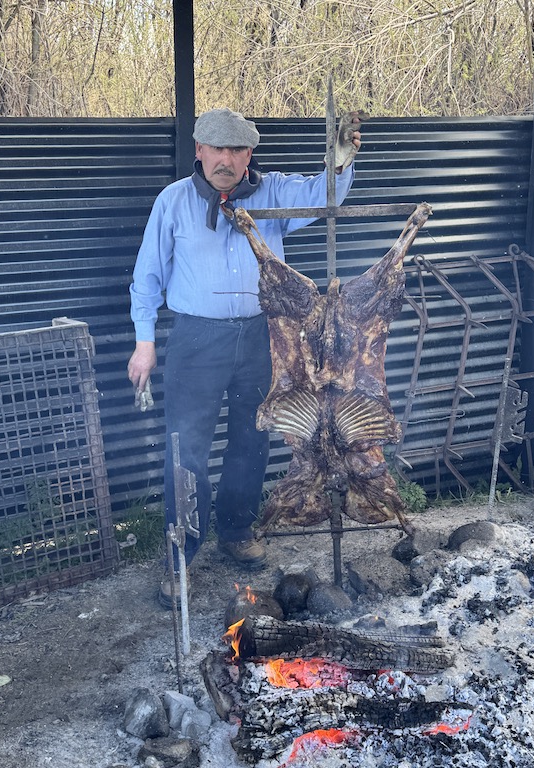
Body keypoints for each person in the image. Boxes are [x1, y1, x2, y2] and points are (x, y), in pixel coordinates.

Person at [127, 107, 362, 608]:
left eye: (236, 151)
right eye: (217, 149)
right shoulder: (173, 202)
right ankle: (180, 555)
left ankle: (236, 530)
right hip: (196, 340)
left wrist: (338, 165)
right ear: (199, 151)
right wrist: (144, 341)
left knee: (251, 439)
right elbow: (147, 276)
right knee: (185, 448)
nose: (226, 160)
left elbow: (325, 199)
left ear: (249, 155)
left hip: (262, 336)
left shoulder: (273, 192)